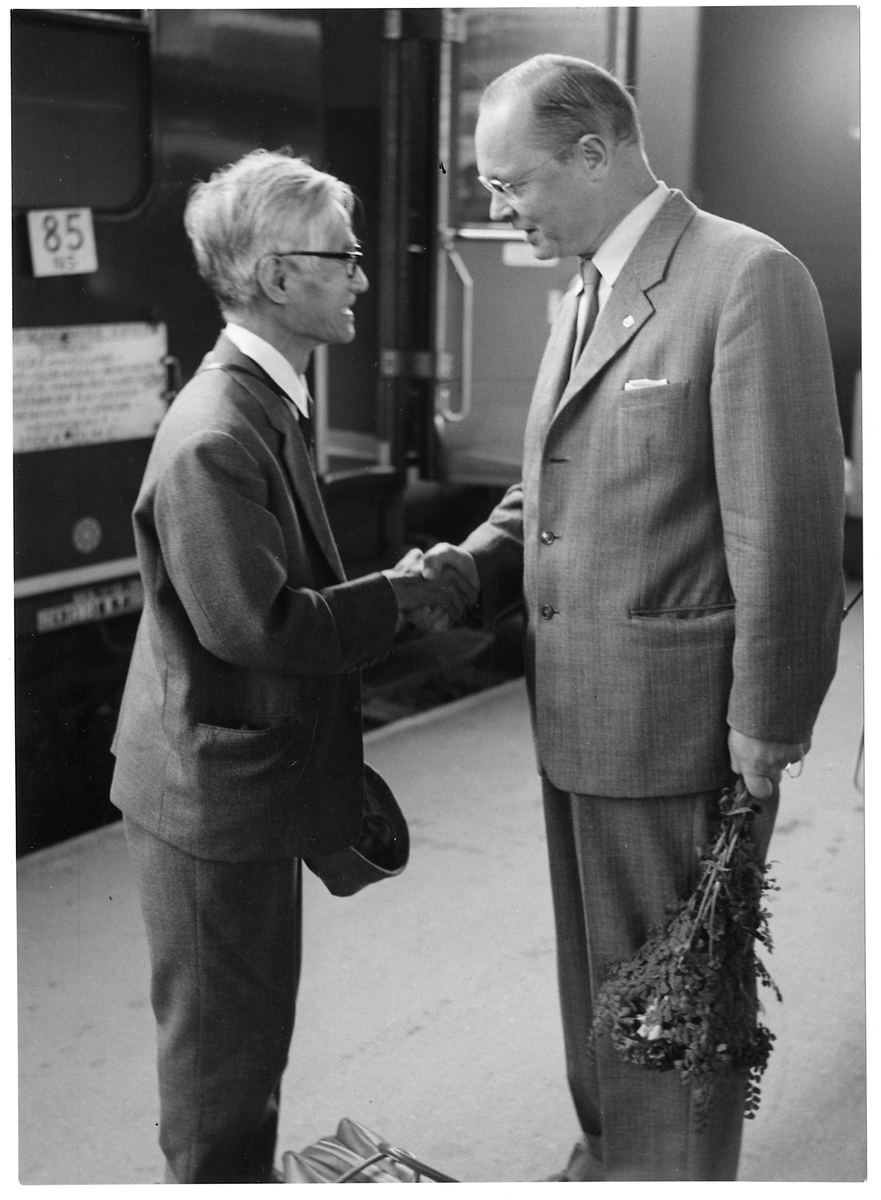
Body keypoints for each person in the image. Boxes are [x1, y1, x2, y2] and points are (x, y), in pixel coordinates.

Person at [410, 55, 845, 1181]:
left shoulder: (745, 278)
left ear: (596, 152)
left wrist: (768, 726)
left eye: (515, 186)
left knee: (677, 991)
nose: (505, 215)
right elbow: (547, 488)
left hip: (679, 726)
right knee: (601, 976)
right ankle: (609, 1154)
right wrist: (459, 569)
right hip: (577, 710)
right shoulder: (586, 291)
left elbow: (787, 529)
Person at [109, 149, 465, 1184]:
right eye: (341, 257)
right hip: (207, 800)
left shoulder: (266, 402)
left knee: (246, 1045)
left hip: (234, 783)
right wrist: (411, 589)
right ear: (274, 277)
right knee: (224, 1074)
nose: (360, 274)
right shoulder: (218, 433)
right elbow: (259, 627)